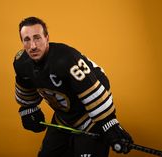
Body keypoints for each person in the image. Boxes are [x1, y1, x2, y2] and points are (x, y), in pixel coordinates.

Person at [13, 16, 133, 157]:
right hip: (63, 118)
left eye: (37, 38)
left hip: (90, 119)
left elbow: (93, 88)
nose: (33, 46)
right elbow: (25, 88)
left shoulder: (67, 59)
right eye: (27, 40)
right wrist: (28, 109)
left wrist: (109, 124)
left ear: (47, 38)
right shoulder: (21, 63)